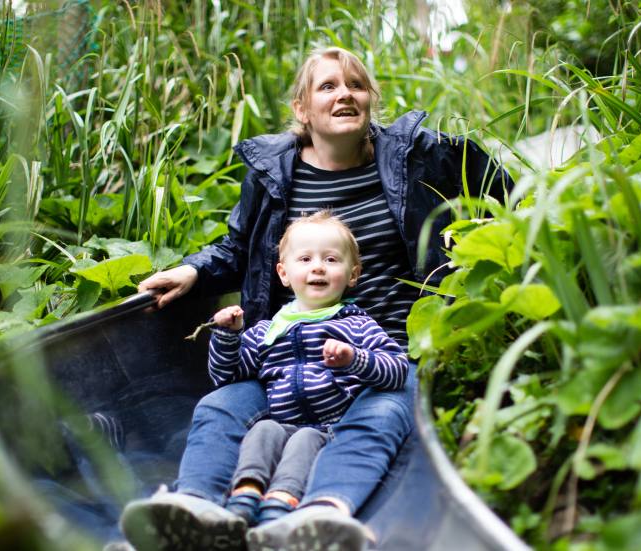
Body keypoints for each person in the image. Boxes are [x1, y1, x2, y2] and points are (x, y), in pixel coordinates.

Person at [120, 46, 512, 551]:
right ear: (303, 108)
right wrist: (194, 270)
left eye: (355, 85)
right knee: (221, 405)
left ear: (370, 99)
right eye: (328, 86)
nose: (344, 94)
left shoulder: (415, 156)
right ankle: (195, 505)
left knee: (382, 417)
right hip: (287, 355)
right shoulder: (274, 174)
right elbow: (241, 245)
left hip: (386, 353)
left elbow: (502, 191)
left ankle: (322, 513)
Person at [206, 211, 408, 532]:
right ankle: (243, 499)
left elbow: (396, 368)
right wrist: (228, 336)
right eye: (305, 259)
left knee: (303, 441)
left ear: (352, 274)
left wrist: (354, 358)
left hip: (329, 429)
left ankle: (278, 509)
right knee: (263, 431)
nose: (317, 267)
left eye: (330, 259)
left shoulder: (355, 325)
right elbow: (226, 375)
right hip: (281, 421)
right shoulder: (269, 330)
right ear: (284, 274)